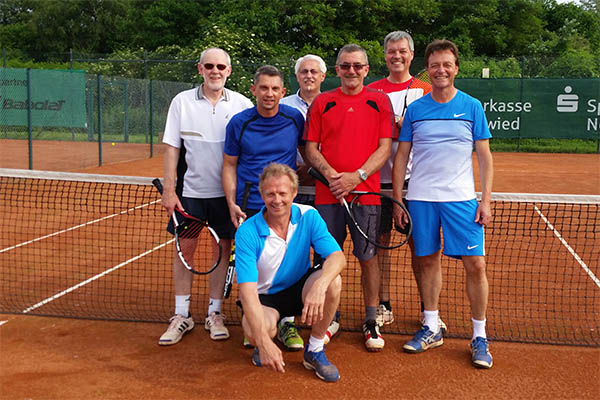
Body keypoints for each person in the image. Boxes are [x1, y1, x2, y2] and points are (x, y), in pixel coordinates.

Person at [392, 39, 494, 369]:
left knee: (475, 265)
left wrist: (485, 200)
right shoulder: (416, 109)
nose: (441, 70)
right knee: (426, 261)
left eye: (447, 64)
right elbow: (402, 155)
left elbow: (485, 158)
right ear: (427, 69)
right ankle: (431, 325)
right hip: (421, 198)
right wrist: (397, 199)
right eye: (435, 65)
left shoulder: (472, 106)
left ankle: (479, 335)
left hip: (462, 200)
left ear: (456, 68)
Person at [158, 48, 253, 345]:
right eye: (209, 66)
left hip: (227, 197)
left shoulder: (242, 104)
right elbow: (172, 148)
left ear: (229, 70)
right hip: (190, 196)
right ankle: (181, 314)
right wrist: (170, 190)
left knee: (222, 252)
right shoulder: (182, 102)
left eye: (220, 66)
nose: (215, 71)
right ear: (200, 69)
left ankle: (215, 313)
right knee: (184, 251)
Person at [305, 44, 395, 352]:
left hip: (366, 195)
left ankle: (371, 320)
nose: (352, 71)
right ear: (337, 69)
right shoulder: (322, 102)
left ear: (367, 70)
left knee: (368, 258)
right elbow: (311, 149)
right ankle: (330, 317)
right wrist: (332, 176)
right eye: (345, 66)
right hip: (327, 196)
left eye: (357, 65)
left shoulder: (379, 101)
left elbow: (384, 148)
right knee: (327, 259)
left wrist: (356, 177)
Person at [236, 163, 345, 382]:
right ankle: (265, 338)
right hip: (265, 298)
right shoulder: (247, 232)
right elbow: (247, 292)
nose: (277, 200)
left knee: (333, 282)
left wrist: (320, 286)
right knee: (255, 332)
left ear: (294, 193)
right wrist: (264, 342)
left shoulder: (309, 216)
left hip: (299, 287)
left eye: (283, 193)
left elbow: (337, 257)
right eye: (270, 194)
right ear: (262, 194)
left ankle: (314, 350)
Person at [368, 31, 446, 333]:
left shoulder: (427, 90)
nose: (396, 56)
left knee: (423, 250)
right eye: (391, 51)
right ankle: (384, 305)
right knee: (382, 246)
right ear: (385, 55)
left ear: (411, 55)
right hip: (379, 184)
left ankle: (429, 311)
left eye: (402, 51)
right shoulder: (372, 91)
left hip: (418, 186)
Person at [222, 65, 305, 351]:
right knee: (254, 266)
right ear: (254, 90)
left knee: (289, 262)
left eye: (274, 89)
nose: (269, 94)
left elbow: (307, 155)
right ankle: (254, 318)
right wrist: (232, 202)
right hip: (250, 206)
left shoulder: (294, 118)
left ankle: (286, 321)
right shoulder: (239, 123)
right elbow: (229, 165)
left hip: (285, 205)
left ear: (283, 92)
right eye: (263, 88)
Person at [278, 54, 331, 345]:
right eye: (303, 72)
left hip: (325, 188)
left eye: (314, 71)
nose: (309, 76)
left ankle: (322, 312)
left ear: (323, 76)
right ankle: (286, 317)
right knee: (290, 252)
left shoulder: (331, 103)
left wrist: (322, 173)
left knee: (323, 251)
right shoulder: (284, 106)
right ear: (297, 77)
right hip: (292, 189)